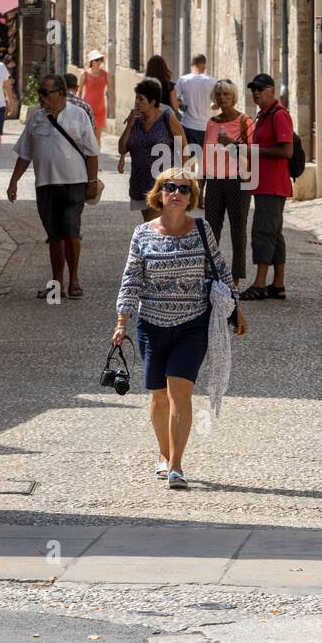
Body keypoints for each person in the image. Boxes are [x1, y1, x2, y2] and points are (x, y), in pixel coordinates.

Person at [112, 167, 247, 489]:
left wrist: (237, 309)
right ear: (159, 194)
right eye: (170, 187)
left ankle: (176, 465)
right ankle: (163, 454)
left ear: (192, 198)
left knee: (180, 392)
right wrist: (122, 320)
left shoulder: (201, 230)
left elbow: (221, 270)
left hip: (192, 324)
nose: (176, 193)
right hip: (151, 324)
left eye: (184, 189)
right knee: (158, 396)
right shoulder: (142, 234)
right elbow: (132, 278)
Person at [7, 74, 99, 300]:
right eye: (40, 92)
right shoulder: (36, 118)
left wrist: (92, 181)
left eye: (46, 93)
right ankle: (57, 282)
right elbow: (25, 153)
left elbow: (92, 152)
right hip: (45, 184)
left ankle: (74, 279)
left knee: (71, 231)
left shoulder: (78, 116)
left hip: (74, 182)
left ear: (61, 93)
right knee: (54, 235)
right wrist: (13, 181)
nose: (41, 97)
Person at [240, 73, 294, 301]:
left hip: (273, 185)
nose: (256, 93)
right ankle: (278, 284)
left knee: (262, 233)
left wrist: (255, 151)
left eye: (261, 89)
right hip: (264, 184)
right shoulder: (263, 116)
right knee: (275, 235)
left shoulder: (279, 115)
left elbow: (286, 151)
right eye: (254, 89)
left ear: (272, 90)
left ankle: (260, 284)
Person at [203, 80, 254, 286]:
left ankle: (236, 278)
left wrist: (233, 145)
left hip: (238, 181)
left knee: (238, 230)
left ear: (233, 97)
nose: (222, 98)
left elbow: (253, 152)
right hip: (215, 181)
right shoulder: (211, 123)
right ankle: (212, 274)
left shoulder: (245, 121)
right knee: (211, 230)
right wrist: (201, 184)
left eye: (226, 94)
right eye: (219, 94)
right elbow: (206, 154)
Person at [118, 79, 186, 220]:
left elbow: (184, 146)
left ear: (153, 102)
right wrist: (129, 125)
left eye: (141, 99)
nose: (136, 102)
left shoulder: (167, 118)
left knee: (153, 225)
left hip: (164, 183)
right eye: (136, 97)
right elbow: (122, 149)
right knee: (152, 227)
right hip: (140, 183)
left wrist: (183, 177)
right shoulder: (134, 120)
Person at [175, 53, 217, 172]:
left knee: (189, 161)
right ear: (204, 65)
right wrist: (211, 106)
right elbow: (217, 103)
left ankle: (190, 187)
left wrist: (182, 106)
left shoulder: (183, 80)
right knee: (203, 162)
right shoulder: (212, 81)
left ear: (191, 65)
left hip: (187, 125)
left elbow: (176, 100)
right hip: (205, 127)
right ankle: (200, 188)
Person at [77, 50, 108, 133]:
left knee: (98, 137)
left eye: (100, 59)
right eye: (97, 60)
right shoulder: (84, 74)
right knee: (87, 135)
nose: (99, 62)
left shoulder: (105, 75)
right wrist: (78, 107)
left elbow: (111, 92)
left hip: (100, 109)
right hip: (87, 108)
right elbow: (79, 92)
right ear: (92, 62)